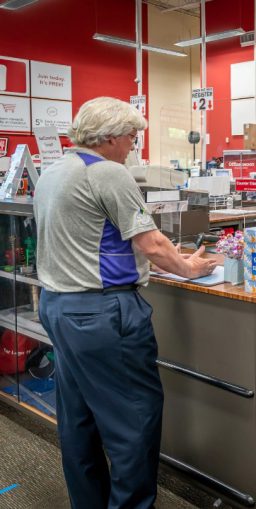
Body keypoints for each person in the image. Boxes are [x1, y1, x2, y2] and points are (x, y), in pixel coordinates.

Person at [34, 97, 217, 509]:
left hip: (58, 307)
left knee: (79, 423)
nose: (133, 147)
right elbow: (149, 242)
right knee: (133, 423)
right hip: (103, 315)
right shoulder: (108, 173)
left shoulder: (54, 171)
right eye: (132, 138)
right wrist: (188, 268)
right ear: (111, 137)